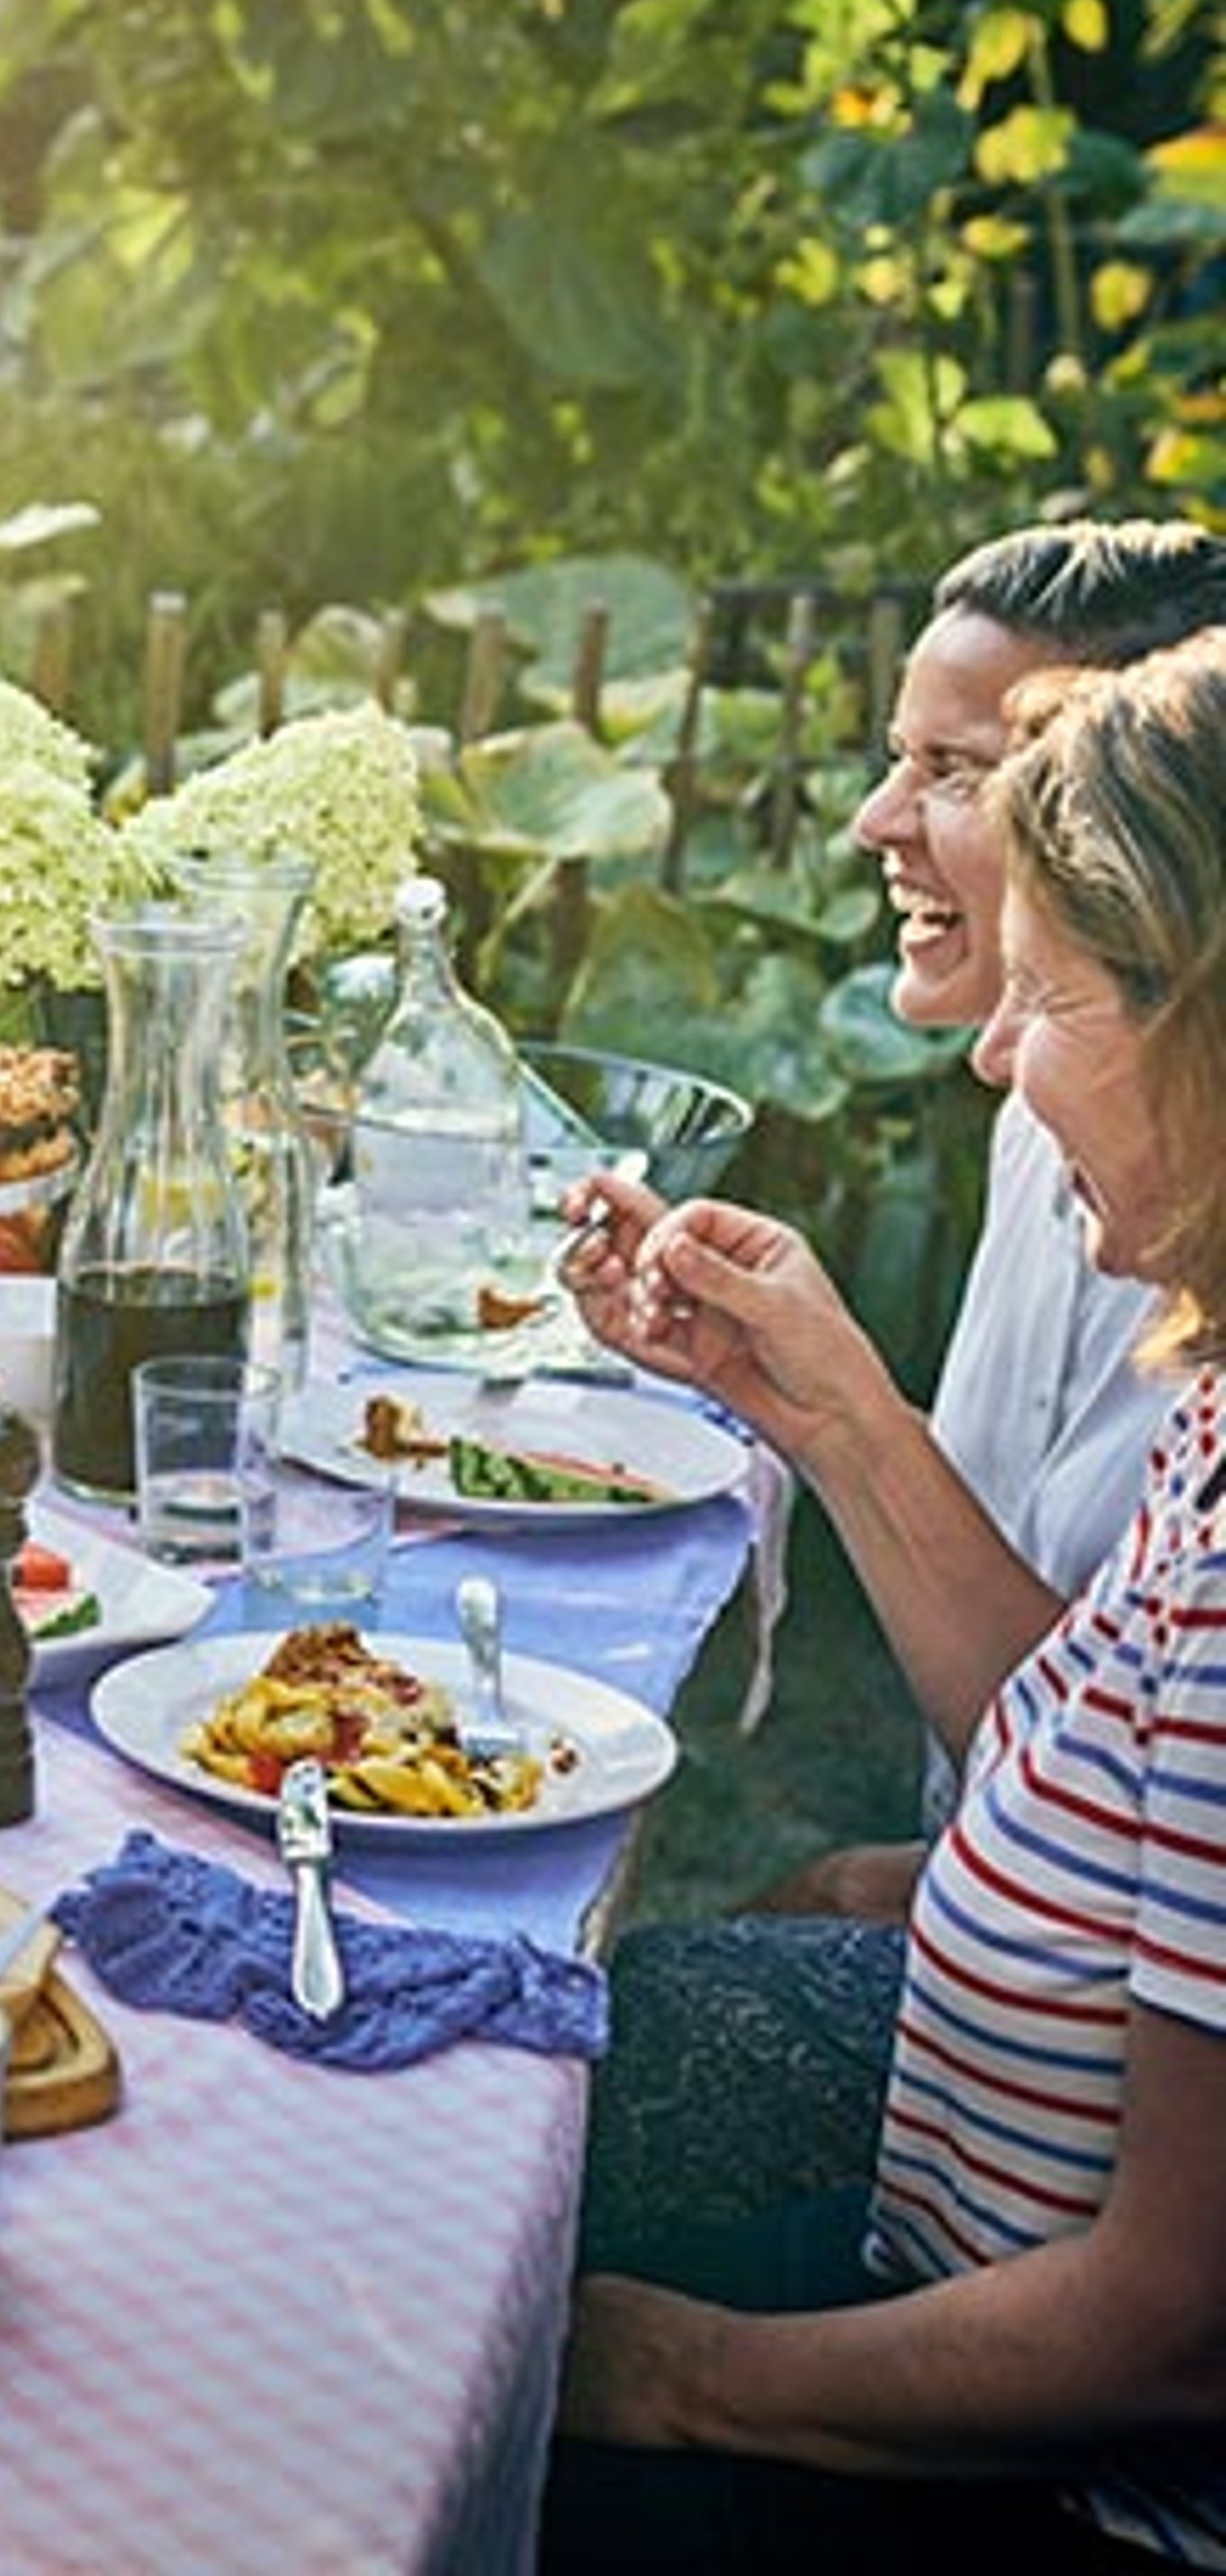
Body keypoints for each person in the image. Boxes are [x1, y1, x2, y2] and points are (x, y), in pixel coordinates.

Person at [544, 633, 1226, 2569]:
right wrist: (820, 1399)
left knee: (395, 2353)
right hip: (964, 2264)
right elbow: (1094, 1761)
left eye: (1050, 1005)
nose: (997, 1060)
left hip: (1090, 2501)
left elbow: (1177, 2337)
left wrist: (692, 2375)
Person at [581, 517, 1226, 1925]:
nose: (874, 822)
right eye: (898, 757)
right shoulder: (1029, 1121)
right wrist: (813, 1396)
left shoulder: (1189, 1216)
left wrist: (882, 1891)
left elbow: (1147, 1818)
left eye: (953, 773)